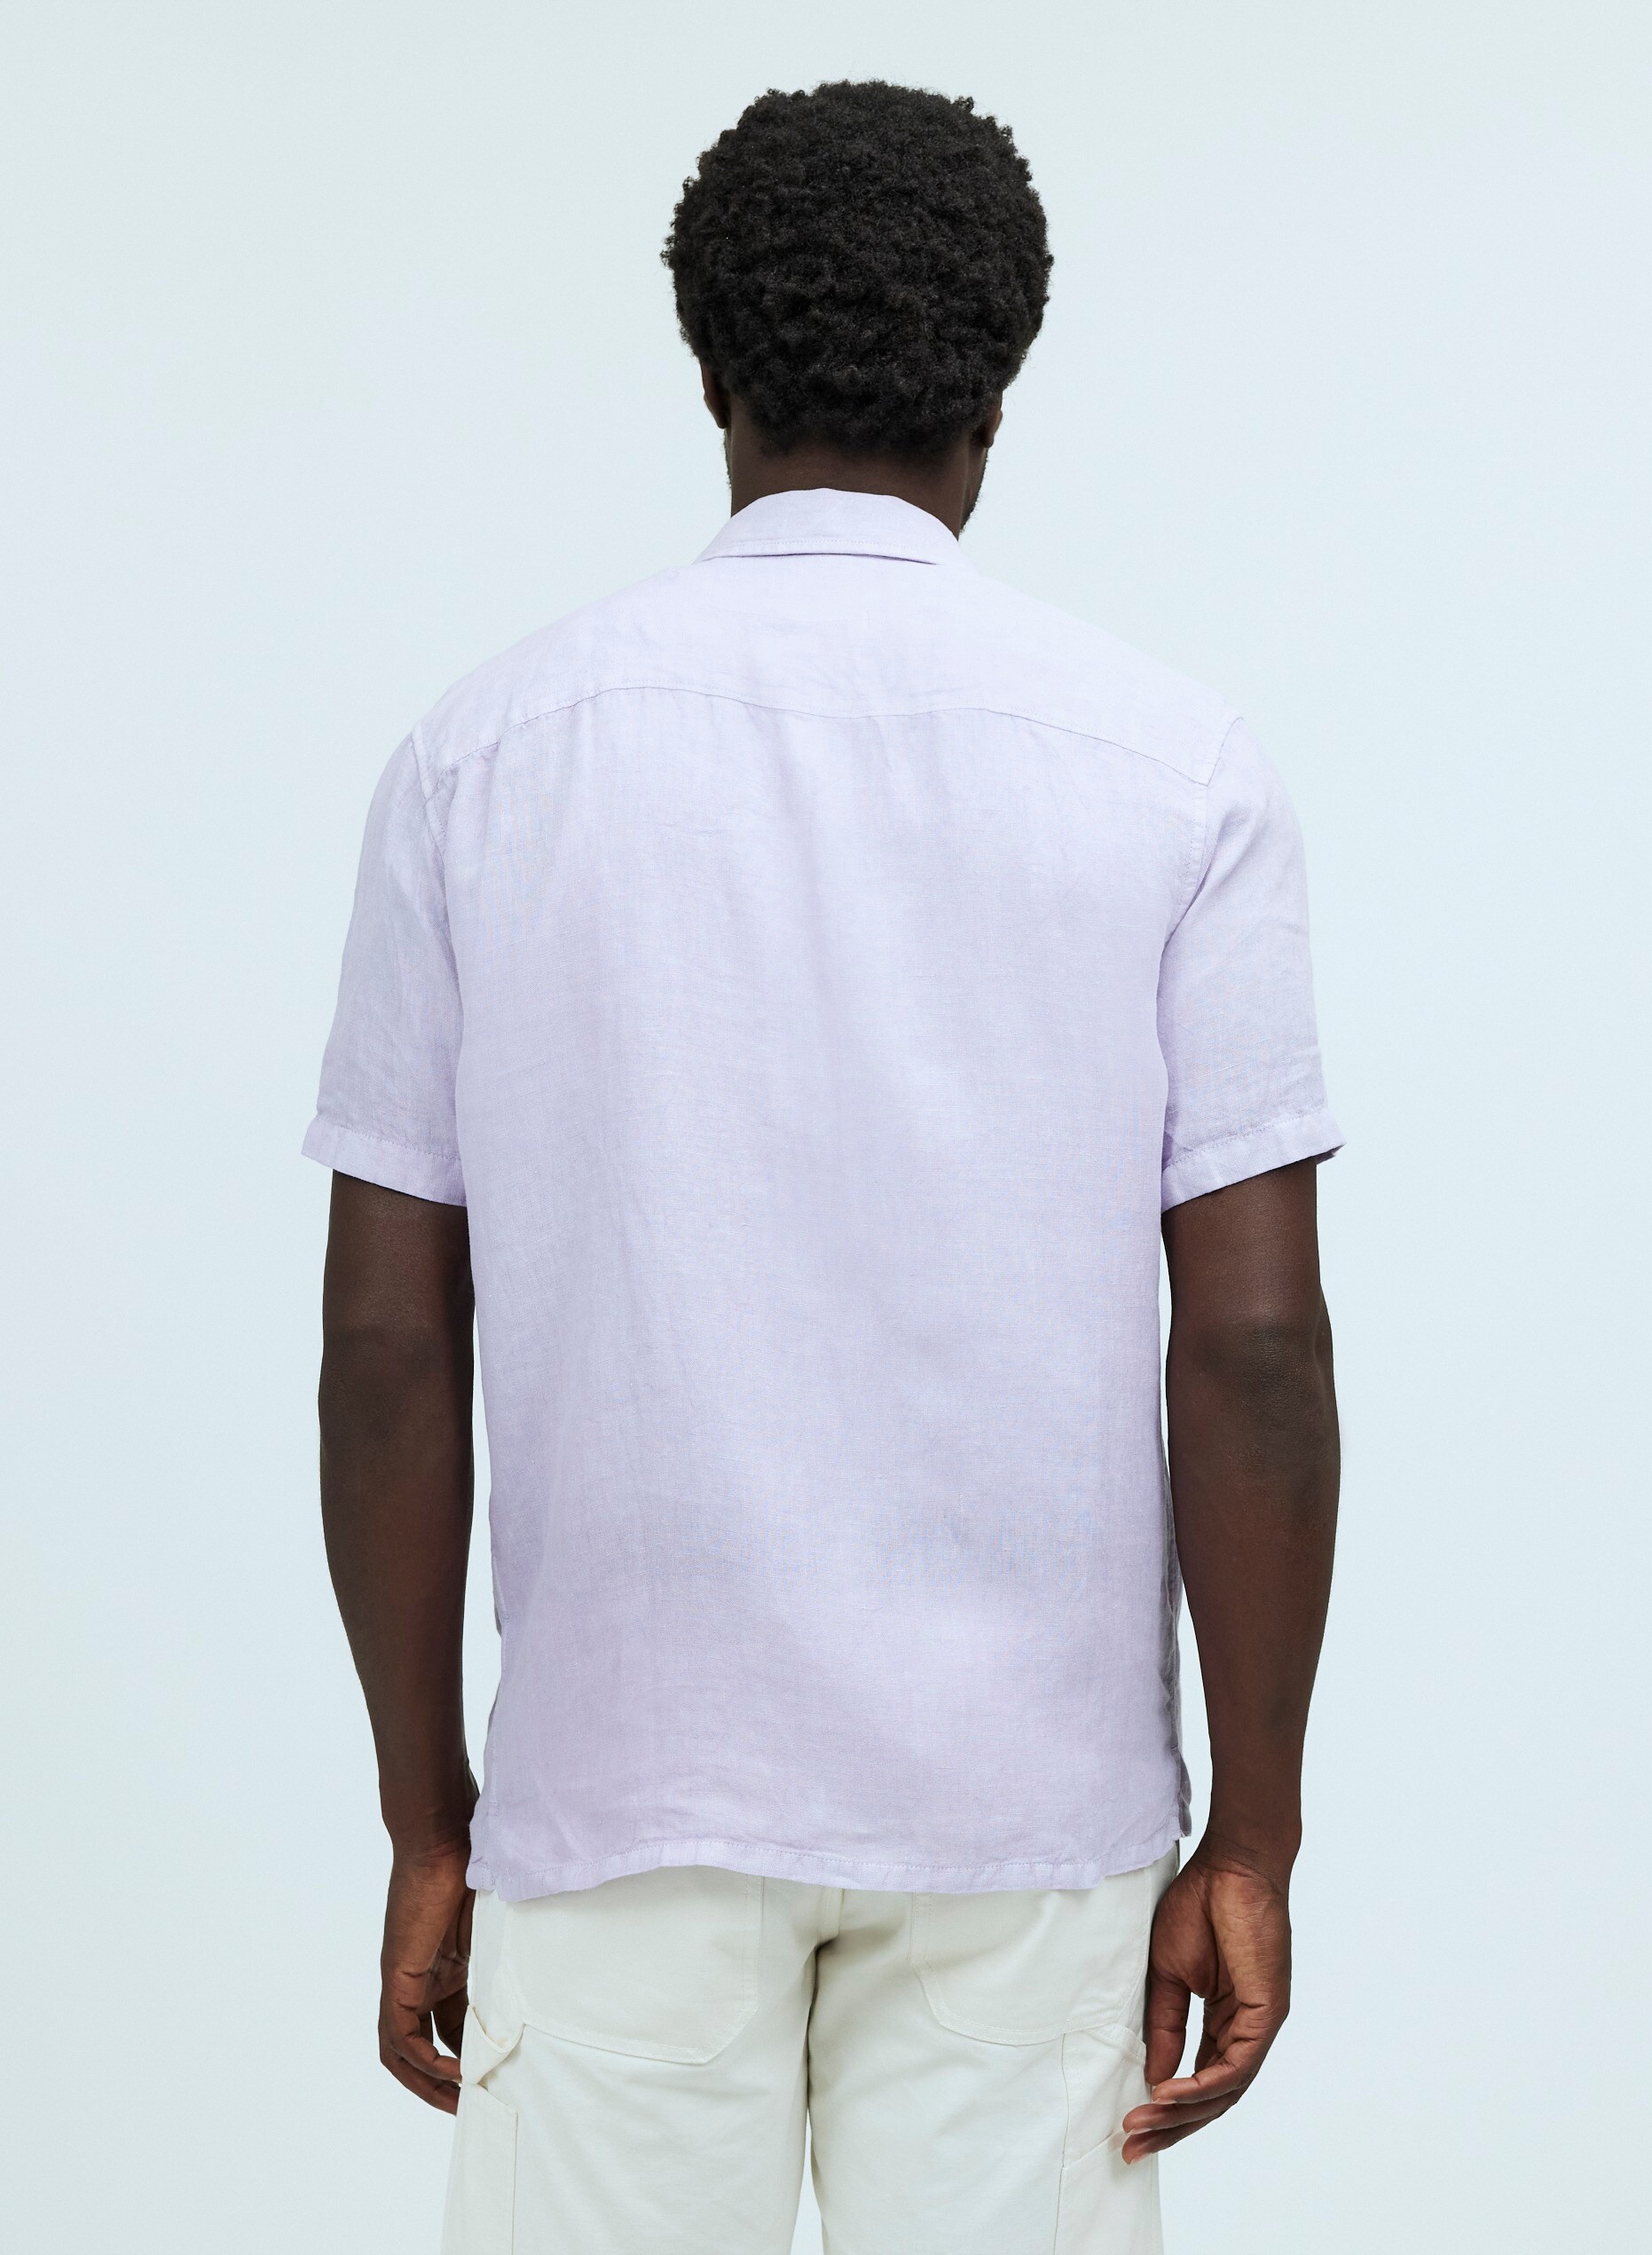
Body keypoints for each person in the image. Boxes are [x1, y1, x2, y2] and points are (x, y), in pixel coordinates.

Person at [307, 78, 1341, 2255]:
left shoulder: (486, 758)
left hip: (624, 1782)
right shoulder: (1171, 769)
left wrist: (427, 1809)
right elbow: (1253, 1347)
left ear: (711, 371)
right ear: (999, 393)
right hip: (1025, 1808)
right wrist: (1249, 1828)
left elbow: (390, 1345)